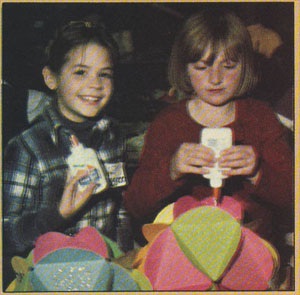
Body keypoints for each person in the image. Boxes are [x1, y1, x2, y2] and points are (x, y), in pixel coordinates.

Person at [123, 9, 293, 242]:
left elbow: (292, 197)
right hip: (187, 249)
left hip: (252, 248)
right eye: (202, 67)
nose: (215, 78)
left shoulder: (261, 118)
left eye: (229, 66)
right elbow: (135, 206)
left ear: (245, 66)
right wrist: (171, 169)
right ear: (184, 68)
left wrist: (258, 171)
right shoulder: (168, 123)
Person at [3, 16, 133, 286]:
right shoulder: (27, 148)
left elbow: (118, 206)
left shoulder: (113, 136)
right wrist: (58, 214)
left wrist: (124, 259)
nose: (95, 84)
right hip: (48, 280)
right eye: (80, 72)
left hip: (103, 274)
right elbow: (6, 235)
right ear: (51, 78)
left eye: (104, 74)